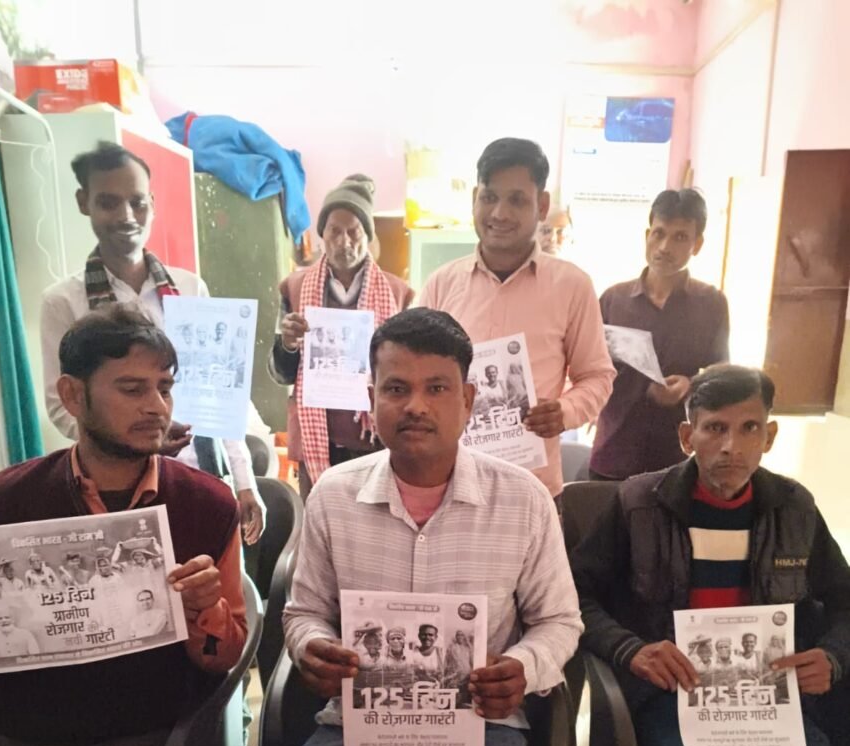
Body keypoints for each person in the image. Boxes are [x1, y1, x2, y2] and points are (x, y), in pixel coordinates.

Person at [281, 307, 583, 746]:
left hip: (480, 726)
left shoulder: (524, 500)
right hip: (361, 725)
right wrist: (312, 646)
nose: (416, 406)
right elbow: (304, 611)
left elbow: (559, 621)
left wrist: (523, 667)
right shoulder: (333, 495)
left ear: (467, 400)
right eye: (396, 388)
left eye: (437, 388)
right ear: (371, 397)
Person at [0, 307, 247, 746]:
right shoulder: (6, 501)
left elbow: (223, 658)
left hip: (127, 739)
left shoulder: (205, 504)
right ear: (72, 395)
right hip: (11, 735)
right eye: (132, 389)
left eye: (164, 388)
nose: (156, 406)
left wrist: (205, 610)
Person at [571, 364, 850, 746]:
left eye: (749, 428)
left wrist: (833, 657)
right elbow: (574, 596)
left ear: (769, 436)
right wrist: (631, 650)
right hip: (673, 699)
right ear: (687, 436)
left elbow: (845, 601)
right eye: (715, 428)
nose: (731, 447)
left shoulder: (794, 508)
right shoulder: (637, 504)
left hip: (772, 702)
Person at [39, 141, 264, 546]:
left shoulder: (189, 287)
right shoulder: (64, 302)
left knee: (213, 579)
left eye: (137, 202)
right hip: (116, 489)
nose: (126, 216)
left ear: (153, 204)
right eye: (109, 202)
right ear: (83, 202)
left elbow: (220, 390)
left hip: (203, 475)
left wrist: (245, 480)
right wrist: (138, 437)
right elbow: (62, 405)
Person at [419, 138, 614, 508]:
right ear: (474, 198)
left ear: (542, 205)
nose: (500, 213)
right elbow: (415, 372)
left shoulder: (572, 286)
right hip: (448, 486)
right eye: (490, 197)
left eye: (517, 200)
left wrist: (564, 412)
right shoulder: (441, 285)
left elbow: (597, 376)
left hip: (533, 491)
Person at [270, 174, 415, 499]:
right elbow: (280, 374)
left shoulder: (397, 293)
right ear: (322, 235)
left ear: (368, 237)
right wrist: (288, 344)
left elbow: (407, 371)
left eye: (354, 232)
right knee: (322, 522)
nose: (344, 241)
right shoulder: (294, 288)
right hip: (317, 441)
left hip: (375, 443)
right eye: (334, 231)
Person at [590, 189, 730, 481]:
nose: (665, 247)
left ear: (697, 244)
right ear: (647, 236)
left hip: (676, 456)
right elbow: (589, 367)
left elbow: (721, 375)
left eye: (680, 237)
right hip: (614, 451)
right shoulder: (613, 300)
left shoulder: (711, 304)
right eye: (659, 234)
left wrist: (690, 386)